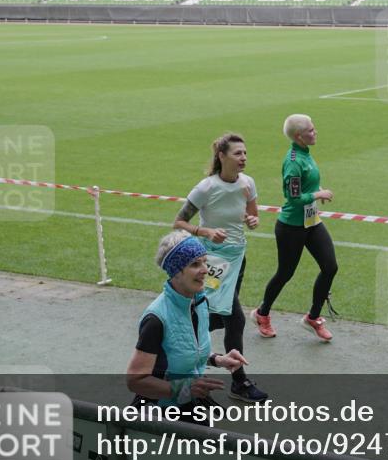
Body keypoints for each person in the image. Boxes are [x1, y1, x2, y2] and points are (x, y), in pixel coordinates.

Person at [173, 132, 267, 403]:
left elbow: (253, 216)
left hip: (237, 259)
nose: (244, 158)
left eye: (245, 153)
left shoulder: (247, 183)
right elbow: (179, 222)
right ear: (222, 156)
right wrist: (206, 231)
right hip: (211, 262)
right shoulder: (206, 187)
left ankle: (186, 364)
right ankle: (237, 381)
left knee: (215, 317)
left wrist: (252, 221)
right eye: (238, 153)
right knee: (231, 318)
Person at [126, 231, 249, 420]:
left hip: (190, 401)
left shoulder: (199, 302)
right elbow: (136, 381)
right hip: (160, 411)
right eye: (195, 264)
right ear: (176, 272)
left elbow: (183, 349)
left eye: (204, 262)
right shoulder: (156, 319)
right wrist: (183, 388)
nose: (205, 270)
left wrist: (218, 359)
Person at [251, 114, 337, 342]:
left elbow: (307, 184)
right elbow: (293, 197)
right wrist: (318, 194)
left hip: (311, 222)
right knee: (285, 273)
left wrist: (317, 189)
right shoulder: (293, 161)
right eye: (310, 130)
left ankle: (313, 317)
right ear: (299, 136)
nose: (315, 131)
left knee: (330, 267)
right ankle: (262, 314)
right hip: (291, 227)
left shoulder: (305, 154)